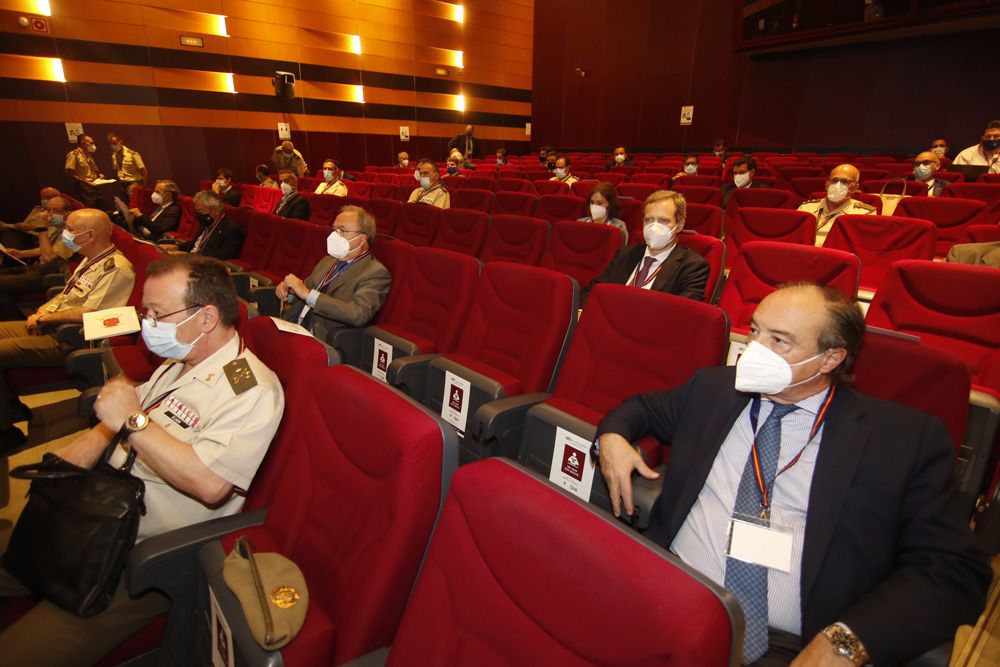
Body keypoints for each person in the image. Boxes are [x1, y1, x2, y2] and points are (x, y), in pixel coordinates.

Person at [595, 283, 990, 666]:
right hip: (672, 592)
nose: (754, 349)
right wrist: (612, 438)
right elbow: (642, 409)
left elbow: (954, 572)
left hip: (788, 644)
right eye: (755, 331)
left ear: (830, 359)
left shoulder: (902, 440)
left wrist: (846, 642)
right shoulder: (714, 389)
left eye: (779, 341)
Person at [0, 254, 284, 666]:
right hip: (92, 511)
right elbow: (130, 411)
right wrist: (93, 440)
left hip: (135, 554)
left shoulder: (251, 390)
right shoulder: (181, 360)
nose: (147, 324)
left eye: (157, 314)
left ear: (206, 318)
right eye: (145, 312)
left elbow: (210, 484)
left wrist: (130, 421)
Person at [0, 209, 135, 449]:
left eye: (70, 230)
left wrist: (44, 319)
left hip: (69, 337)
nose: (65, 234)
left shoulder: (116, 268)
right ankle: (10, 406)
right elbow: (66, 295)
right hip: (53, 324)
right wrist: (43, 311)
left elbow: (90, 313)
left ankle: (5, 431)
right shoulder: (90, 258)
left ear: (90, 235)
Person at [278, 206, 391, 343]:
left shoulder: (376, 272)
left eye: (342, 231)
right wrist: (289, 292)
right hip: (294, 326)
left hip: (323, 339)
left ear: (362, 239)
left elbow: (358, 314)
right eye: (334, 230)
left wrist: (307, 294)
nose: (335, 236)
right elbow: (304, 291)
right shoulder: (328, 261)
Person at [583, 190, 709, 302]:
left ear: (679, 225)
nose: (654, 227)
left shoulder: (693, 266)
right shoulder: (625, 254)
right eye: (649, 220)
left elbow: (683, 313)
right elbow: (595, 289)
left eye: (663, 221)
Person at [0, 196, 76, 321]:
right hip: (38, 268)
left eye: (55, 211)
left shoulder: (72, 234)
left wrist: (42, 228)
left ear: (67, 214)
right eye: (48, 210)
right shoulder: (55, 227)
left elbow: (49, 257)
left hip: (51, 273)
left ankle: (14, 322)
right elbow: (46, 248)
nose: (49, 214)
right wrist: (21, 254)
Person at [797, 165, 876, 246]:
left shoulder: (864, 214)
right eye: (834, 180)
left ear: (855, 187)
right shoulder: (806, 208)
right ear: (826, 184)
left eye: (845, 182)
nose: (837, 186)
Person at [165, 191, 244, 260]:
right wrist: (177, 247)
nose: (198, 215)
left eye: (200, 210)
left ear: (215, 210)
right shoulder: (207, 222)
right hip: (189, 259)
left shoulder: (231, 229)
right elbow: (195, 244)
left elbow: (222, 255)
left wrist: (188, 256)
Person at [64, 135, 104, 208]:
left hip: (95, 185)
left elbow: (92, 170)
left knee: (99, 208)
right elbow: (69, 173)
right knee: (89, 208)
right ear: (83, 143)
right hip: (84, 188)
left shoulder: (88, 155)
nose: (93, 145)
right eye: (91, 143)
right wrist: (86, 182)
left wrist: (99, 175)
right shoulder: (74, 154)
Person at [107, 132, 147, 200]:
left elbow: (144, 172)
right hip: (123, 184)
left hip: (134, 183)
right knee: (126, 204)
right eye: (111, 144)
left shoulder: (132, 154)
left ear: (120, 142)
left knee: (134, 203)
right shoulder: (114, 156)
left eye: (114, 143)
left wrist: (142, 186)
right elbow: (117, 169)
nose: (113, 146)